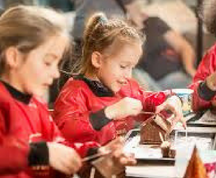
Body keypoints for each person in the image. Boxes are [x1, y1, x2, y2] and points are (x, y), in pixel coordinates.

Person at [0, 6, 134, 178]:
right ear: (14, 57)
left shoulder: (36, 104)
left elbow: (58, 146)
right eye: (48, 62)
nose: (56, 73)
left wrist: (95, 153)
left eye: (57, 64)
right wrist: (41, 152)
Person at [53, 13, 186, 145]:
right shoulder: (74, 93)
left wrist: (170, 98)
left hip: (122, 161)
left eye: (131, 67)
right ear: (97, 60)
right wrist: (110, 112)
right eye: (123, 66)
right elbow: (65, 131)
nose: (128, 75)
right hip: (90, 164)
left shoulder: (127, 87)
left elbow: (148, 101)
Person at [124, 0, 196, 90]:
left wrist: (189, 68)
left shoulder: (154, 22)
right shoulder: (124, 34)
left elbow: (184, 46)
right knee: (136, 75)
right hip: (145, 81)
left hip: (173, 75)